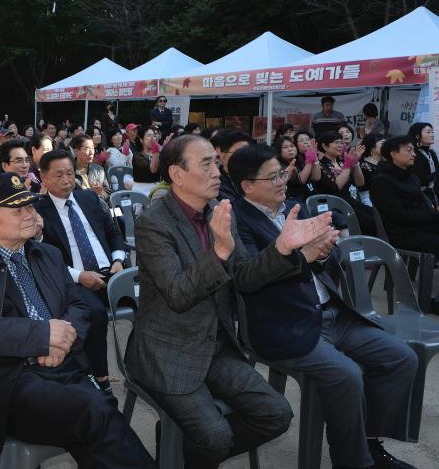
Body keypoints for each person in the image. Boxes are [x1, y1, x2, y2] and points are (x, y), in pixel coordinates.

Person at [126, 134, 335, 467]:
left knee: (277, 414)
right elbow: (179, 294)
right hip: (168, 352)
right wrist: (220, 253)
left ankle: (181, 456)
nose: (217, 170)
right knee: (215, 435)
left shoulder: (220, 212)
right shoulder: (154, 224)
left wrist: (281, 249)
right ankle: (188, 452)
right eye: (206, 163)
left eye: (215, 161)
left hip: (216, 347)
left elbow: (244, 278)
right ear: (178, 175)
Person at [0, 173, 156, 468]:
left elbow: (79, 306)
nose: (31, 215)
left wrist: (61, 343)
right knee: (94, 410)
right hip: (7, 381)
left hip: (65, 365)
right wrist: (42, 335)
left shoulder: (48, 254)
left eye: (31, 207)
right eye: (18, 210)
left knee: (101, 415)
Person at [230, 144, 418, 469]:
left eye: (283, 173)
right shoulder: (236, 221)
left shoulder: (295, 206)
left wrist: (327, 250)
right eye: (274, 176)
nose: (282, 180)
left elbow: (327, 261)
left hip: (331, 312)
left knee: (400, 357)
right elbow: (246, 278)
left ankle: (370, 444)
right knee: (347, 376)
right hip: (286, 323)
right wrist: (297, 254)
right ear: (248, 185)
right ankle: (354, 462)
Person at [36, 149, 126, 393]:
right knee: (94, 314)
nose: (66, 180)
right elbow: (41, 256)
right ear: (43, 178)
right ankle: (101, 378)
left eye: (69, 173)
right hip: (73, 278)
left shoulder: (88, 198)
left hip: (112, 271)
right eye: (58, 176)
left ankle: (143, 368)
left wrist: (118, 260)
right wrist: (79, 276)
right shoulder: (38, 210)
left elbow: (114, 232)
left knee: (152, 298)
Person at [370, 135, 439, 261]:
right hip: (402, 233)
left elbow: (421, 205)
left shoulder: (411, 177)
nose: (414, 154)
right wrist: (433, 213)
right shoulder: (382, 181)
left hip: (420, 226)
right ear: (394, 154)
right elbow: (399, 216)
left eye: (413, 150)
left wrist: (433, 213)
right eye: (409, 150)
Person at [313, 130, 376, 234]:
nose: (340, 145)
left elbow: (360, 183)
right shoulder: (320, 165)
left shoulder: (343, 162)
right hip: (334, 205)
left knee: (376, 215)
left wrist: (355, 163)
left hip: (350, 202)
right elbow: (337, 186)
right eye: (336, 142)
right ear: (325, 146)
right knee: (369, 222)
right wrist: (347, 165)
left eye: (341, 143)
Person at [210, 128, 252, 202]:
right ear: (223, 157)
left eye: (248, 151)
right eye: (239, 152)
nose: (245, 156)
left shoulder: (256, 176)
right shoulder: (217, 184)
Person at [408, 122, 439, 207]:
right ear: (418, 136)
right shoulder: (414, 155)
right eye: (428, 132)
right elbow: (421, 180)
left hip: (434, 193)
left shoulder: (432, 154)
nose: (432, 135)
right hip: (422, 197)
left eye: (432, 132)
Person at [274, 135, 312, 203]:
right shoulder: (278, 166)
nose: (290, 149)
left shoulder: (299, 160)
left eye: (292, 146)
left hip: (307, 197)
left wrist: (315, 160)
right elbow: (300, 181)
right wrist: (309, 162)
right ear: (279, 151)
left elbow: (316, 177)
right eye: (285, 147)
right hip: (291, 201)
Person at [71, 134, 111, 200]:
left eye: (92, 148)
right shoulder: (68, 172)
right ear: (76, 151)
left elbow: (108, 193)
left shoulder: (99, 169)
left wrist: (100, 193)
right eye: (87, 149)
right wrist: (91, 193)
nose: (91, 152)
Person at [358, 132, 384, 205]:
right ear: (372, 146)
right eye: (382, 143)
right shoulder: (364, 165)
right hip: (369, 198)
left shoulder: (385, 163)